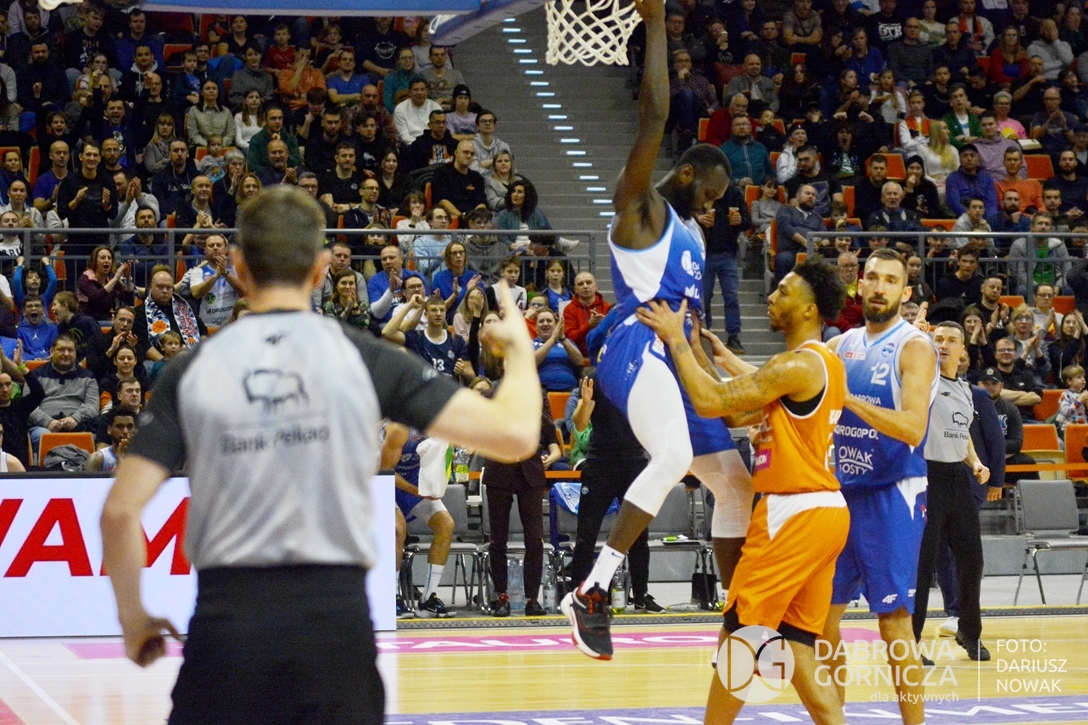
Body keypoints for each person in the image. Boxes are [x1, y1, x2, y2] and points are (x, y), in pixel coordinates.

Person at [99, 184, 543, 722]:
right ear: (318, 269)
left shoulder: (191, 369)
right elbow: (516, 435)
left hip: (228, 626)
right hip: (335, 629)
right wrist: (518, 348)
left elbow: (119, 513)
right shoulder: (363, 357)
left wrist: (134, 619)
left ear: (239, 266)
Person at [561, 0, 754, 662]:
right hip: (636, 344)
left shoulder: (693, 236)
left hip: (678, 356)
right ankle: (592, 589)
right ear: (690, 173)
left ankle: (739, 622)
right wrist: (654, 23)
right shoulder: (640, 206)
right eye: (711, 195)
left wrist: (717, 379)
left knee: (734, 483)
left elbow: (692, 328)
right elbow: (653, 117)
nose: (713, 207)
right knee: (670, 458)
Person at [635, 259, 849, 725]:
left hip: (793, 511)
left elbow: (710, 402)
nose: (771, 297)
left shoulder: (796, 365)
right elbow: (733, 413)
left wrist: (675, 341)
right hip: (823, 511)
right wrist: (695, 349)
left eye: (784, 291)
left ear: (810, 309)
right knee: (798, 646)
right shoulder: (822, 365)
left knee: (739, 637)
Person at [819, 248, 939, 725]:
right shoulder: (839, 344)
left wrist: (847, 398)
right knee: (821, 621)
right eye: (872, 277)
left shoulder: (914, 347)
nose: (879, 286)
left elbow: (912, 427)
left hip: (893, 495)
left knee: (893, 626)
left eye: (891, 280)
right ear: (859, 284)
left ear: (905, 292)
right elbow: (786, 380)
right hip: (841, 493)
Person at [913, 321, 991, 661]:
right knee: (923, 564)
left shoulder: (965, 389)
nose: (944, 345)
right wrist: (914, 333)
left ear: (963, 350)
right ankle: (910, 641)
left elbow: (963, 431)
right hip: (927, 477)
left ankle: (969, 632)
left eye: (951, 340)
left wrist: (975, 461)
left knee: (972, 559)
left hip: (958, 477)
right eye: (938, 339)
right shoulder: (924, 381)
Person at [379, 422, 456, 618]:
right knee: (397, 530)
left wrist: (437, 481)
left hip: (412, 479)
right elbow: (385, 470)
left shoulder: (441, 425)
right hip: (383, 479)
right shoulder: (399, 429)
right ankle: (390, 597)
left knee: (446, 525)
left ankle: (428, 600)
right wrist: (419, 491)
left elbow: (444, 460)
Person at [85, 406, 135, 472]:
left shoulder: (145, 458)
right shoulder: (98, 459)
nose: (125, 431)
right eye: (119, 426)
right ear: (109, 430)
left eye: (130, 427)